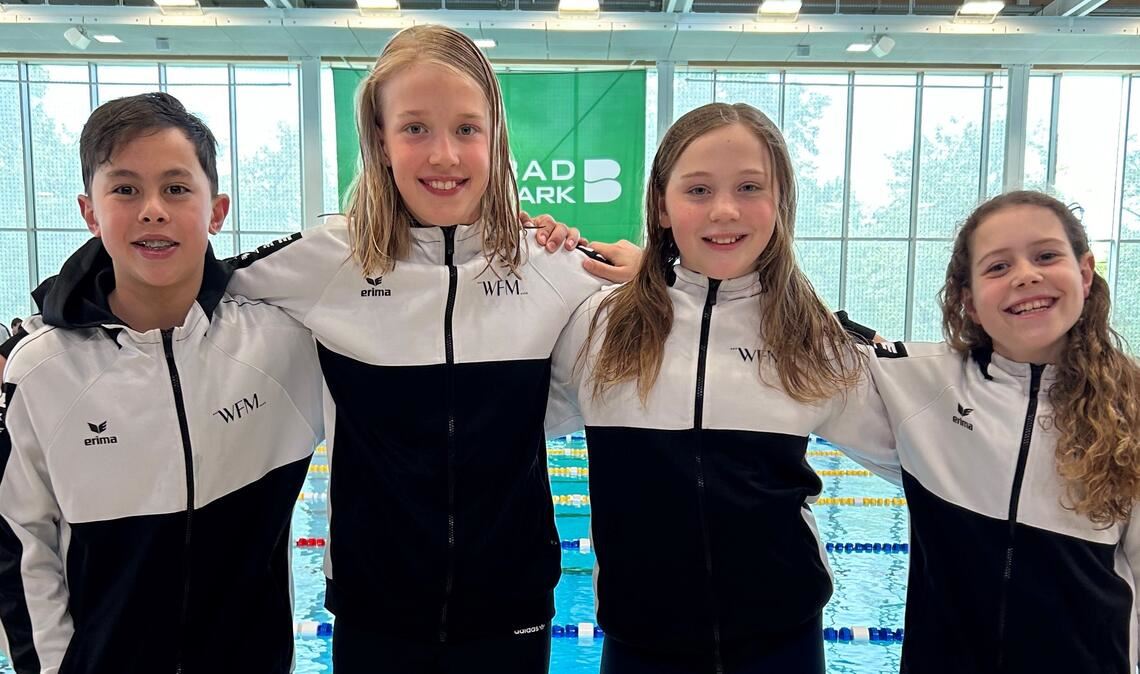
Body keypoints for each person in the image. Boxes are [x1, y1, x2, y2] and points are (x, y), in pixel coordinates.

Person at [224, 24, 637, 674]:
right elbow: (190, 284)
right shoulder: (330, 261)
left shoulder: (549, 262)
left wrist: (652, 272)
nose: (444, 154)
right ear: (380, 140)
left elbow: (678, 313)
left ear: (495, 139)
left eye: (467, 129)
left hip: (512, 607)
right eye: (415, 128)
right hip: (374, 611)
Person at [546, 102, 898, 674]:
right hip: (640, 645)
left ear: (780, 202)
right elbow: (498, 418)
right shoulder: (600, 326)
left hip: (782, 645)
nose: (725, 210)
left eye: (750, 187)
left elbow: (921, 452)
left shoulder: (810, 340)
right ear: (663, 206)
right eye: (699, 190)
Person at [0, 92, 324, 673]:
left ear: (216, 211)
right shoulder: (42, 372)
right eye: (125, 189)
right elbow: (20, 545)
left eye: (176, 189)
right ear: (90, 212)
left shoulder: (283, 346)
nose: (153, 210)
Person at [864, 190, 1140, 673]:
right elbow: (806, 353)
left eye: (1046, 256)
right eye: (998, 266)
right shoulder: (916, 386)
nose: (1026, 275)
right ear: (969, 301)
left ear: (1084, 273)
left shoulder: (1131, 406)